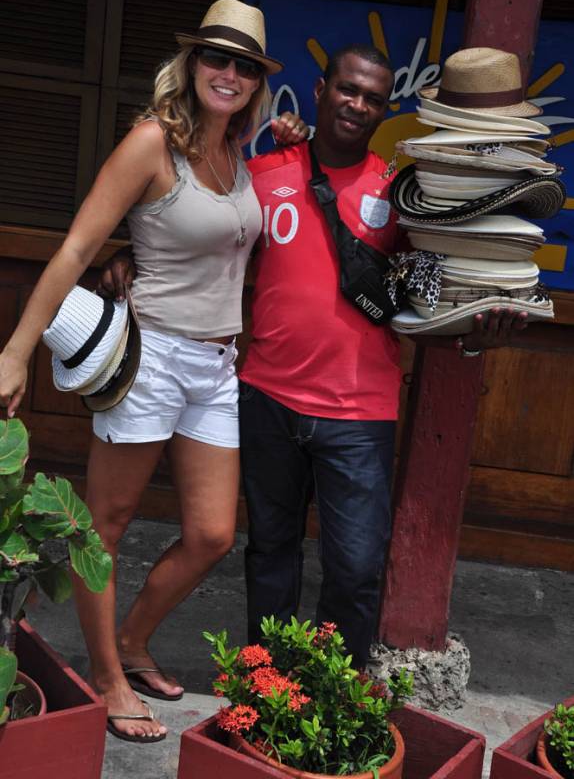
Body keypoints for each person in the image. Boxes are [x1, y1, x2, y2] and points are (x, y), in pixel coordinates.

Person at [100, 43, 528, 673]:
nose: (357, 104)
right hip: (266, 397)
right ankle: (264, 686)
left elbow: (427, 302)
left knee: (355, 567)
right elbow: (199, 233)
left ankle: (333, 695)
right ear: (322, 90)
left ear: (385, 110)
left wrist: (476, 332)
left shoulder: (401, 195)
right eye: (347, 89)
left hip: (361, 412)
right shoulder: (260, 173)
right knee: (270, 553)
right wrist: (129, 255)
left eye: (373, 98)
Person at [0, 0, 306, 743]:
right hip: (151, 359)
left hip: (217, 364)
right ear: (192, 63)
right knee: (105, 525)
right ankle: (107, 677)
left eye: (245, 65)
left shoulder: (239, 149)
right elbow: (77, 248)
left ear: (257, 80)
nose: (229, 73)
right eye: (217, 58)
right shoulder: (151, 143)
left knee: (212, 533)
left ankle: (132, 640)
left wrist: (290, 142)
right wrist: (15, 350)